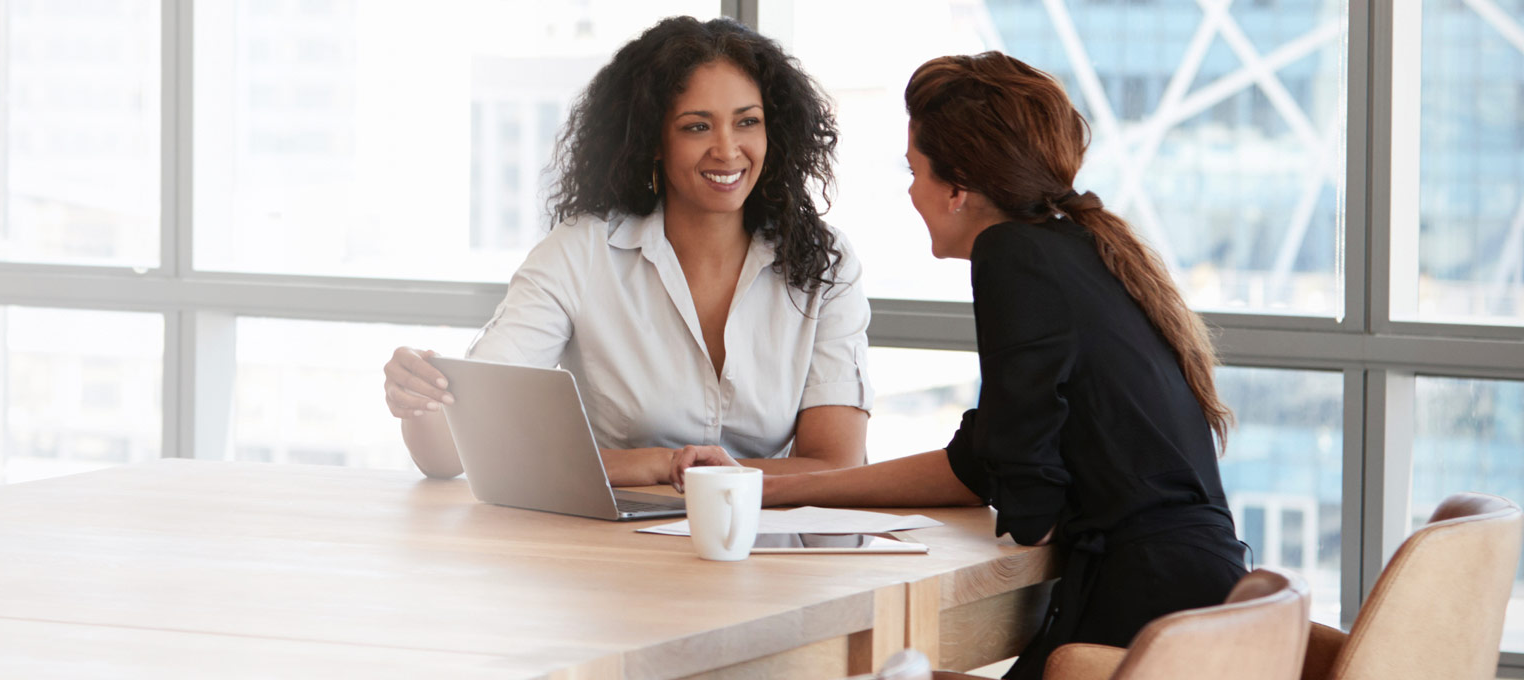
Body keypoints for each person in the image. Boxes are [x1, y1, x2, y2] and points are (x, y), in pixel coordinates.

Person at [683, 52, 1246, 680]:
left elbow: (1029, 507)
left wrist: (1017, 474)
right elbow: (981, 464)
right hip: (1195, 600)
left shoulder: (1013, 256)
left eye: (914, 170)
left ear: (958, 190)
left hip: (1144, 617)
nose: (910, 190)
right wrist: (767, 485)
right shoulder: (1075, 248)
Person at [381, 16, 873, 489]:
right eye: (697, 127)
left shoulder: (823, 264)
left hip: (765, 549)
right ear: (653, 139)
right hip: (608, 553)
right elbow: (451, 450)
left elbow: (836, 463)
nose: (727, 149)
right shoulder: (581, 253)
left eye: (747, 122)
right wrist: (420, 394)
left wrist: (700, 475)